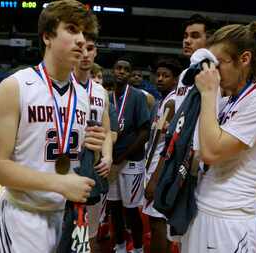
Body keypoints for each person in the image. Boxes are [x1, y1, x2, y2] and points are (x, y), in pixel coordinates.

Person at [0, 1, 106, 252]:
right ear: (48, 36)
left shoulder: (84, 97)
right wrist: (58, 183)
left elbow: (67, 158)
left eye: (84, 33)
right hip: (23, 215)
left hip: (68, 216)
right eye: (72, 29)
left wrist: (90, 150)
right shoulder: (15, 86)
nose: (81, 40)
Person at [181, 21, 256, 253]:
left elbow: (211, 153)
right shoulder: (227, 100)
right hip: (201, 209)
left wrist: (209, 92)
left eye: (219, 64)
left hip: (231, 220)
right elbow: (197, 149)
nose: (213, 72)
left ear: (245, 59)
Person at [71, 34, 114, 253]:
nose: (86, 53)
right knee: (66, 231)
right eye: (82, 48)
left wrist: (108, 156)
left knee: (91, 236)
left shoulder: (100, 91)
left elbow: (106, 131)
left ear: (96, 51)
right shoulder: (61, 84)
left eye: (91, 48)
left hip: (94, 167)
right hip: (67, 166)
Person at [107, 59, 150, 253]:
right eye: (118, 68)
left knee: (131, 210)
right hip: (111, 162)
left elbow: (144, 133)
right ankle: (120, 246)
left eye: (126, 69)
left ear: (131, 74)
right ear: (113, 71)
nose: (121, 72)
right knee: (114, 208)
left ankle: (138, 248)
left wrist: (121, 157)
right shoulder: (106, 96)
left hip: (130, 162)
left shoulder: (138, 97)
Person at [142, 58, 182, 253]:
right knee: (159, 224)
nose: (159, 79)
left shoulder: (173, 102)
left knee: (157, 223)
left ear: (175, 80)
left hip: (161, 171)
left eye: (165, 76)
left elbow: (170, 146)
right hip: (156, 168)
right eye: (158, 75)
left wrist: (155, 179)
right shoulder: (162, 101)